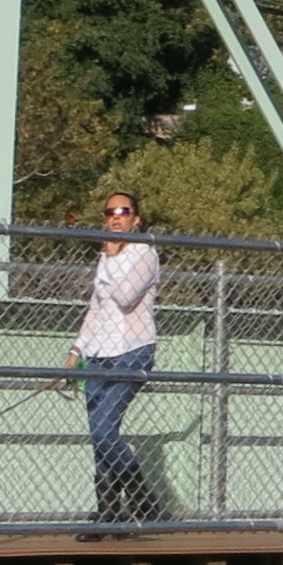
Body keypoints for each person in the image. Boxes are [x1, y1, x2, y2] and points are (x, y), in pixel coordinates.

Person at [65, 192, 163, 525]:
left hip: (132, 351)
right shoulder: (105, 257)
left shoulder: (144, 253)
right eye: (109, 212)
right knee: (98, 435)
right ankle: (108, 511)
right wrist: (76, 351)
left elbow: (125, 296)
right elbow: (96, 308)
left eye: (123, 211)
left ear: (136, 219)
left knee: (105, 429)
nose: (116, 217)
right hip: (97, 355)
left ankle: (143, 499)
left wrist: (111, 257)